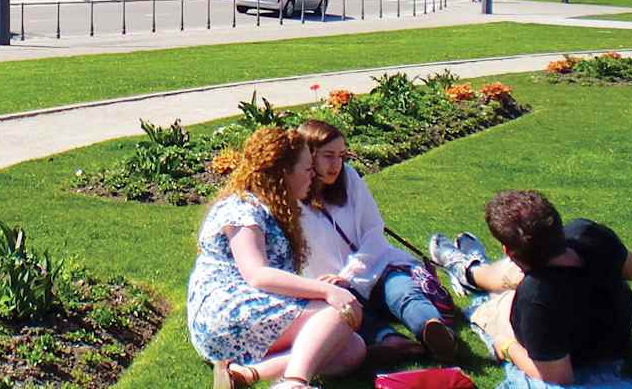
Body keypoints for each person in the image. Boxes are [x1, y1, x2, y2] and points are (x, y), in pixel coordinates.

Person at [190, 127, 366, 389]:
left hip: (251, 309)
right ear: (284, 172)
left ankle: (245, 375)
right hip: (226, 315)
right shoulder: (242, 209)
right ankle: (295, 382)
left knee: (352, 350)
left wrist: (323, 287)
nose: (313, 175)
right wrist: (325, 291)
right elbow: (257, 274)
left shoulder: (273, 209)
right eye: (307, 169)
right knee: (341, 312)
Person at [429, 190, 632, 389]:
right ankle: (469, 270)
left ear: (508, 251)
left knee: (491, 311)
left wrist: (507, 347)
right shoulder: (587, 233)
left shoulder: (535, 296)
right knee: (508, 281)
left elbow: (558, 377)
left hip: (580, 357)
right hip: (612, 338)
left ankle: (468, 269)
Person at [296, 120, 458, 364]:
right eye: (328, 156)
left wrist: (351, 272)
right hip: (333, 284)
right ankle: (390, 340)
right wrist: (339, 282)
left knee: (402, 290)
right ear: (308, 156)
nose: (336, 164)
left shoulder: (349, 177)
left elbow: (374, 231)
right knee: (344, 311)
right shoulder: (294, 195)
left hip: (374, 265)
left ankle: (432, 328)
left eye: (341, 155)